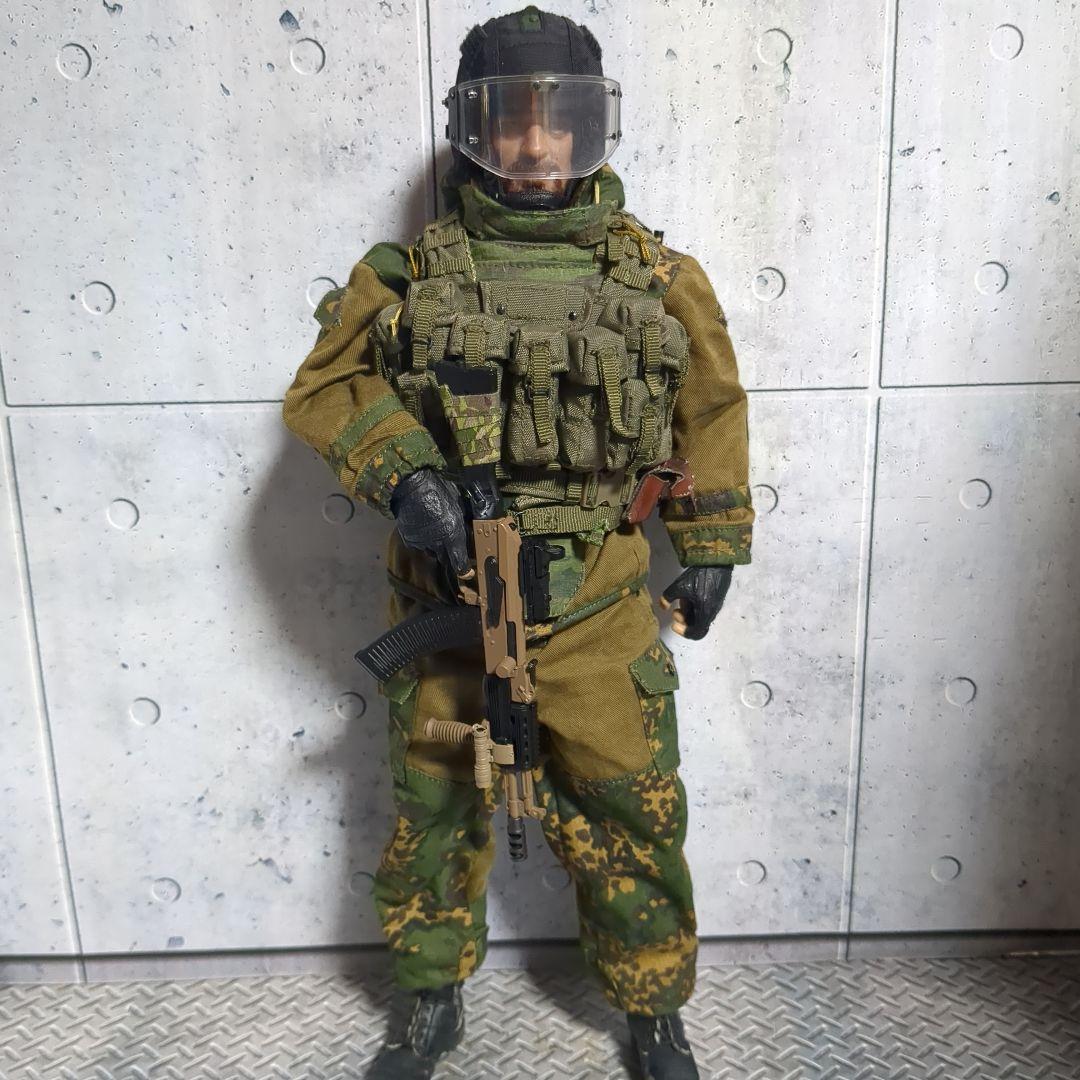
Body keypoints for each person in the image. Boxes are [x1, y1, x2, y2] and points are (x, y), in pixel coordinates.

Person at [282, 7, 754, 1078]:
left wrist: (712, 543)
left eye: (560, 120)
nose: (536, 145)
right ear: (472, 128)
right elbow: (327, 386)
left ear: (594, 128)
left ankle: (652, 1007)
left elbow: (712, 410)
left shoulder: (657, 277)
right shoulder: (407, 274)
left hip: (596, 601)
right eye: (511, 120)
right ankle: (428, 1001)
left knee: (632, 810)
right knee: (436, 809)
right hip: (449, 602)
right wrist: (407, 474)